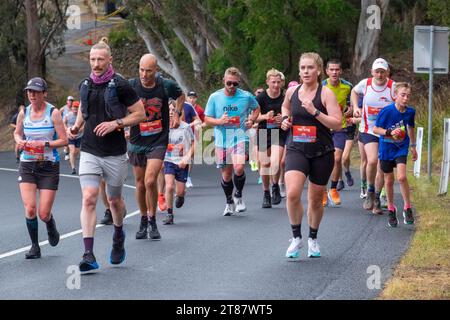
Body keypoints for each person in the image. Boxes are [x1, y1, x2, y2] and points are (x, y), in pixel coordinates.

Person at [68, 42, 145, 273]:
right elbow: (84, 109)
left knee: (114, 202)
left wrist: (116, 123)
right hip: (90, 150)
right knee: (89, 197)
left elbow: (140, 114)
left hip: (115, 153)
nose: (96, 64)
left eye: (100, 59)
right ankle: (88, 253)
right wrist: (77, 126)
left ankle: (118, 234)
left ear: (109, 60)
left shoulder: (121, 85)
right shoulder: (86, 84)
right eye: (92, 59)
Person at [281, 52, 341, 259]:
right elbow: (285, 106)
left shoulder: (325, 94)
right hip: (297, 148)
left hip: (321, 152)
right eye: (303, 68)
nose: (306, 71)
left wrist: (315, 112)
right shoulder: (292, 92)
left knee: (315, 200)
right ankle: (296, 237)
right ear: (299, 71)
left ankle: (312, 239)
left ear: (318, 70)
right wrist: (286, 119)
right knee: (292, 193)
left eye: (310, 68)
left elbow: (337, 123)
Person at [127, 53, 184, 240]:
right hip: (137, 140)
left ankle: (152, 219)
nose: (144, 74)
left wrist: (177, 113)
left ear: (156, 70)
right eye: (141, 70)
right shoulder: (132, 85)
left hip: (158, 140)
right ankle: (143, 219)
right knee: (140, 183)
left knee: (150, 180)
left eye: (148, 71)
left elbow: (181, 95)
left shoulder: (164, 85)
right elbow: (117, 101)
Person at [14, 77, 68, 259]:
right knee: (30, 208)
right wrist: (19, 141)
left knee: (43, 213)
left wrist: (44, 144)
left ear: (44, 93)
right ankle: (35, 247)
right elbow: (17, 132)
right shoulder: (24, 113)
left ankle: (50, 224)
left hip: (48, 166)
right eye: (29, 91)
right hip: (27, 164)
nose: (32, 94)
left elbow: (64, 140)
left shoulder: (53, 113)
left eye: (36, 91)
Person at [205, 67, 260, 216]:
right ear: (224, 81)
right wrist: (219, 121)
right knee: (226, 175)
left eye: (235, 84)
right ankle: (229, 201)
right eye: (229, 83)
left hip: (239, 137)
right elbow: (207, 118)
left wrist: (251, 120)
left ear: (239, 83)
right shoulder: (214, 97)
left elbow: (256, 108)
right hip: (222, 140)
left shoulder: (246, 96)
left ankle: (239, 196)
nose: (232, 87)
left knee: (239, 167)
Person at [351, 58, 395, 215]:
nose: (380, 74)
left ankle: (377, 197)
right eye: (377, 71)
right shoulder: (366, 83)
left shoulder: (392, 87)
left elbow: (399, 103)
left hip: (386, 131)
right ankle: (370, 190)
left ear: (387, 72)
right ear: (372, 72)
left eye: (383, 71)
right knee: (372, 160)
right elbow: (354, 92)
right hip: (368, 129)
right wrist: (356, 107)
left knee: (382, 166)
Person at [373, 82, 416, 227]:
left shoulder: (410, 112)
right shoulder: (386, 111)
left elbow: (411, 128)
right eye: (403, 95)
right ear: (395, 96)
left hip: (401, 147)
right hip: (386, 148)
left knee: (402, 177)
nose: (405, 98)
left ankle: (407, 207)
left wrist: (413, 146)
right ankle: (391, 208)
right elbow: (376, 129)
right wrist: (389, 132)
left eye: (408, 96)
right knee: (389, 181)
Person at [322, 60, 353, 207]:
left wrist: (352, 109)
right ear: (326, 71)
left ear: (340, 71)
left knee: (337, 158)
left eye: (337, 69)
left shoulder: (347, 86)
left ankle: (333, 189)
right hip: (323, 128)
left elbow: (353, 102)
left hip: (340, 127)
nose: (334, 72)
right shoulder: (321, 86)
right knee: (320, 161)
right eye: (331, 70)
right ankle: (321, 190)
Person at [255, 68, 286, 208]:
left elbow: (291, 114)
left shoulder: (285, 96)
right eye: (273, 82)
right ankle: (266, 193)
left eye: (278, 82)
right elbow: (254, 117)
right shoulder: (261, 98)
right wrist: (265, 116)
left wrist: (284, 118)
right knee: (265, 164)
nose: (276, 85)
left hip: (278, 132)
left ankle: (275, 187)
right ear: (267, 82)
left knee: (275, 163)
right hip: (263, 132)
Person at [162, 102, 194, 224]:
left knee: (180, 191)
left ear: (178, 112)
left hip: (181, 162)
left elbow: (193, 144)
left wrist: (186, 158)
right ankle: (169, 214)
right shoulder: (164, 126)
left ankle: (181, 196)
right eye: (168, 109)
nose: (170, 112)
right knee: (169, 186)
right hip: (168, 160)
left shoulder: (185, 127)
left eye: (173, 109)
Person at [181, 93, 201, 188]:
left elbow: (199, 121)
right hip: (173, 136)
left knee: (189, 157)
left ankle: (187, 177)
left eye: (194, 97)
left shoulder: (188, 107)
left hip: (188, 135)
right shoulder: (169, 105)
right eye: (190, 97)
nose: (192, 99)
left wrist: (190, 125)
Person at [63, 100, 83, 174]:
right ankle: (73, 168)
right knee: (73, 150)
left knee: (76, 152)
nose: (75, 109)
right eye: (74, 107)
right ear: (72, 108)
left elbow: (84, 123)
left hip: (79, 136)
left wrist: (81, 129)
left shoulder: (81, 116)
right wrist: (67, 129)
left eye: (77, 107)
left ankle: (72, 159)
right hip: (70, 136)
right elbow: (63, 123)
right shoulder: (68, 115)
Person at [60, 96, 74, 161]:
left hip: (71, 127)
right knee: (66, 140)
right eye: (69, 100)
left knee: (71, 140)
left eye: (71, 100)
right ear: (67, 101)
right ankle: (67, 153)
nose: (70, 102)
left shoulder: (74, 109)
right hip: (64, 126)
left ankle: (69, 151)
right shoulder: (63, 108)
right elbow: (58, 115)